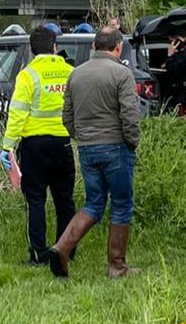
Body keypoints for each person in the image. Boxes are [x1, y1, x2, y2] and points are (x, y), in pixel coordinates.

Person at [47, 28, 142, 279]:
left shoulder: (76, 73)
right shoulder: (122, 73)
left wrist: (81, 137)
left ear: (94, 46)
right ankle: (117, 266)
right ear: (118, 47)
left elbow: (67, 115)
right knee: (121, 204)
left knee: (94, 204)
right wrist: (132, 142)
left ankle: (61, 247)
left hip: (87, 147)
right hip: (116, 146)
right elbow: (130, 113)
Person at [1, 26, 76, 265]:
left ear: (31, 50)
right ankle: (66, 250)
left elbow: (17, 113)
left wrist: (7, 145)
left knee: (35, 200)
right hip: (63, 142)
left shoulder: (28, 75)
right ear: (55, 47)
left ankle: (38, 254)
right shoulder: (70, 72)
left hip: (34, 145)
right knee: (65, 199)